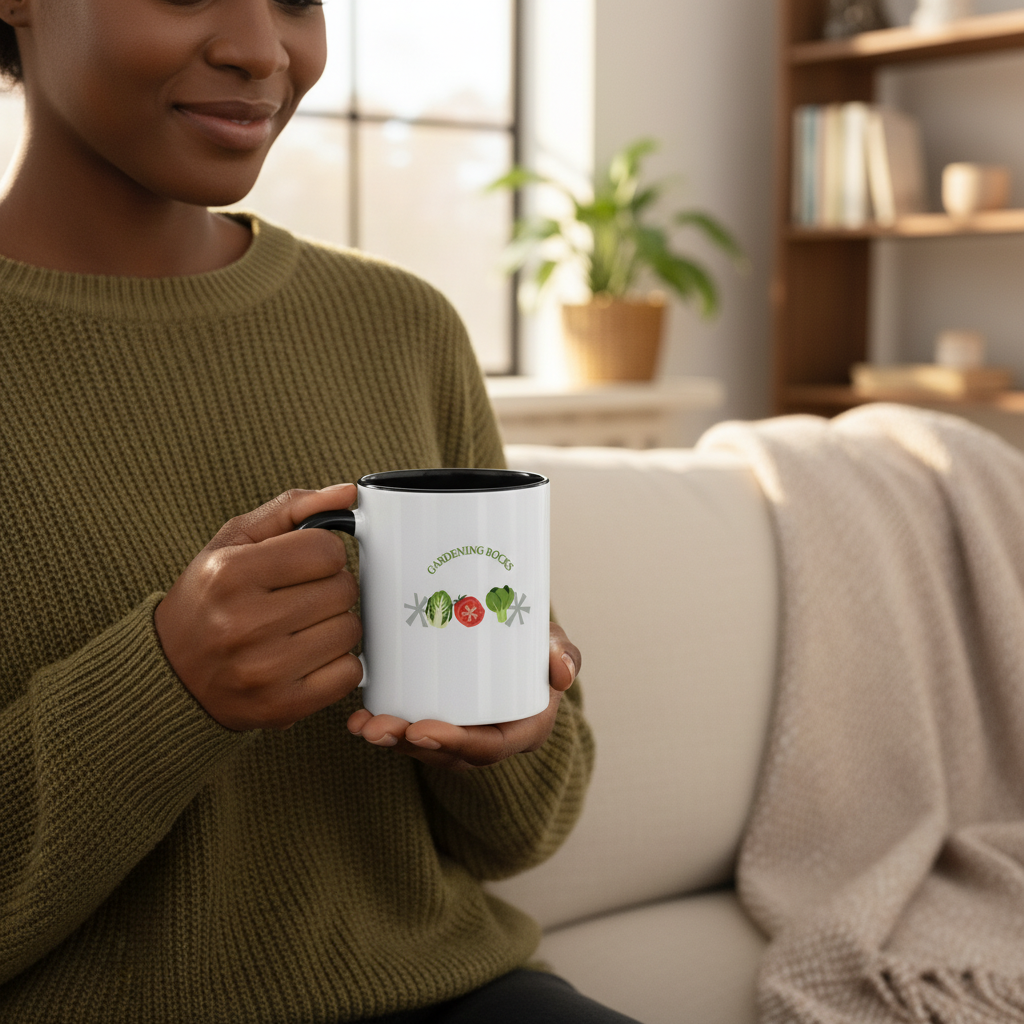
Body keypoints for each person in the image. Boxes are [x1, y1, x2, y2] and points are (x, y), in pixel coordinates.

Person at [0, 1, 640, 1021]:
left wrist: (510, 710)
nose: (263, 51)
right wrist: (165, 685)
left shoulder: (401, 326)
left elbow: (520, 836)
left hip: (460, 992)